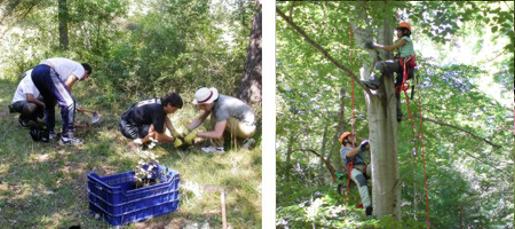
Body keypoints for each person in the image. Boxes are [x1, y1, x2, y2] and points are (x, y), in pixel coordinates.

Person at [362, 21, 416, 122]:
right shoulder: (404, 42)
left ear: (405, 31)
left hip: (403, 66)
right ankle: (398, 113)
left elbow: (390, 48)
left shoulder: (405, 39)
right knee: (396, 91)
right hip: (406, 69)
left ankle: (373, 83)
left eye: (399, 31)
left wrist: (374, 45)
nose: (397, 33)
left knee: (380, 65)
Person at [31, 57, 92, 145]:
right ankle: (67, 137)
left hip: (35, 72)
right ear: (86, 72)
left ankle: (50, 133)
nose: (85, 79)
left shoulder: (68, 68)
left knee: (50, 104)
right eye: (87, 76)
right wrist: (71, 102)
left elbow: (64, 88)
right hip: (46, 71)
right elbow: (68, 85)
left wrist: (65, 99)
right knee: (69, 103)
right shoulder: (81, 68)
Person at [184, 87, 256, 154]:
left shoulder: (221, 107)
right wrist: (186, 131)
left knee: (216, 117)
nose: (200, 108)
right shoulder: (214, 102)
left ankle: (218, 149)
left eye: (202, 105)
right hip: (241, 125)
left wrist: (197, 134)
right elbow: (200, 119)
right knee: (217, 117)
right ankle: (243, 141)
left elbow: (218, 134)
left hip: (247, 128)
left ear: (208, 103)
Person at [119, 92, 183, 149]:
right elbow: (158, 136)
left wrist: (174, 132)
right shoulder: (158, 111)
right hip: (128, 127)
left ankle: (145, 140)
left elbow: (165, 117)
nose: (175, 111)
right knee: (155, 133)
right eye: (175, 109)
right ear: (169, 105)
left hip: (128, 119)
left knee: (160, 127)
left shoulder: (161, 103)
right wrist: (174, 140)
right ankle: (138, 142)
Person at [339, 131, 372, 216]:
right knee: (361, 180)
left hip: (364, 168)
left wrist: (368, 142)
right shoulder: (343, 149)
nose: (353, 138)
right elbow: (350, 154)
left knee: (375, 167)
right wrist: (360, 147)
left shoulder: (356, 148)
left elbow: (367, 146)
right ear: (345, 140)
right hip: (353, 169)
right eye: (350, 136)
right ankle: (367, 207)